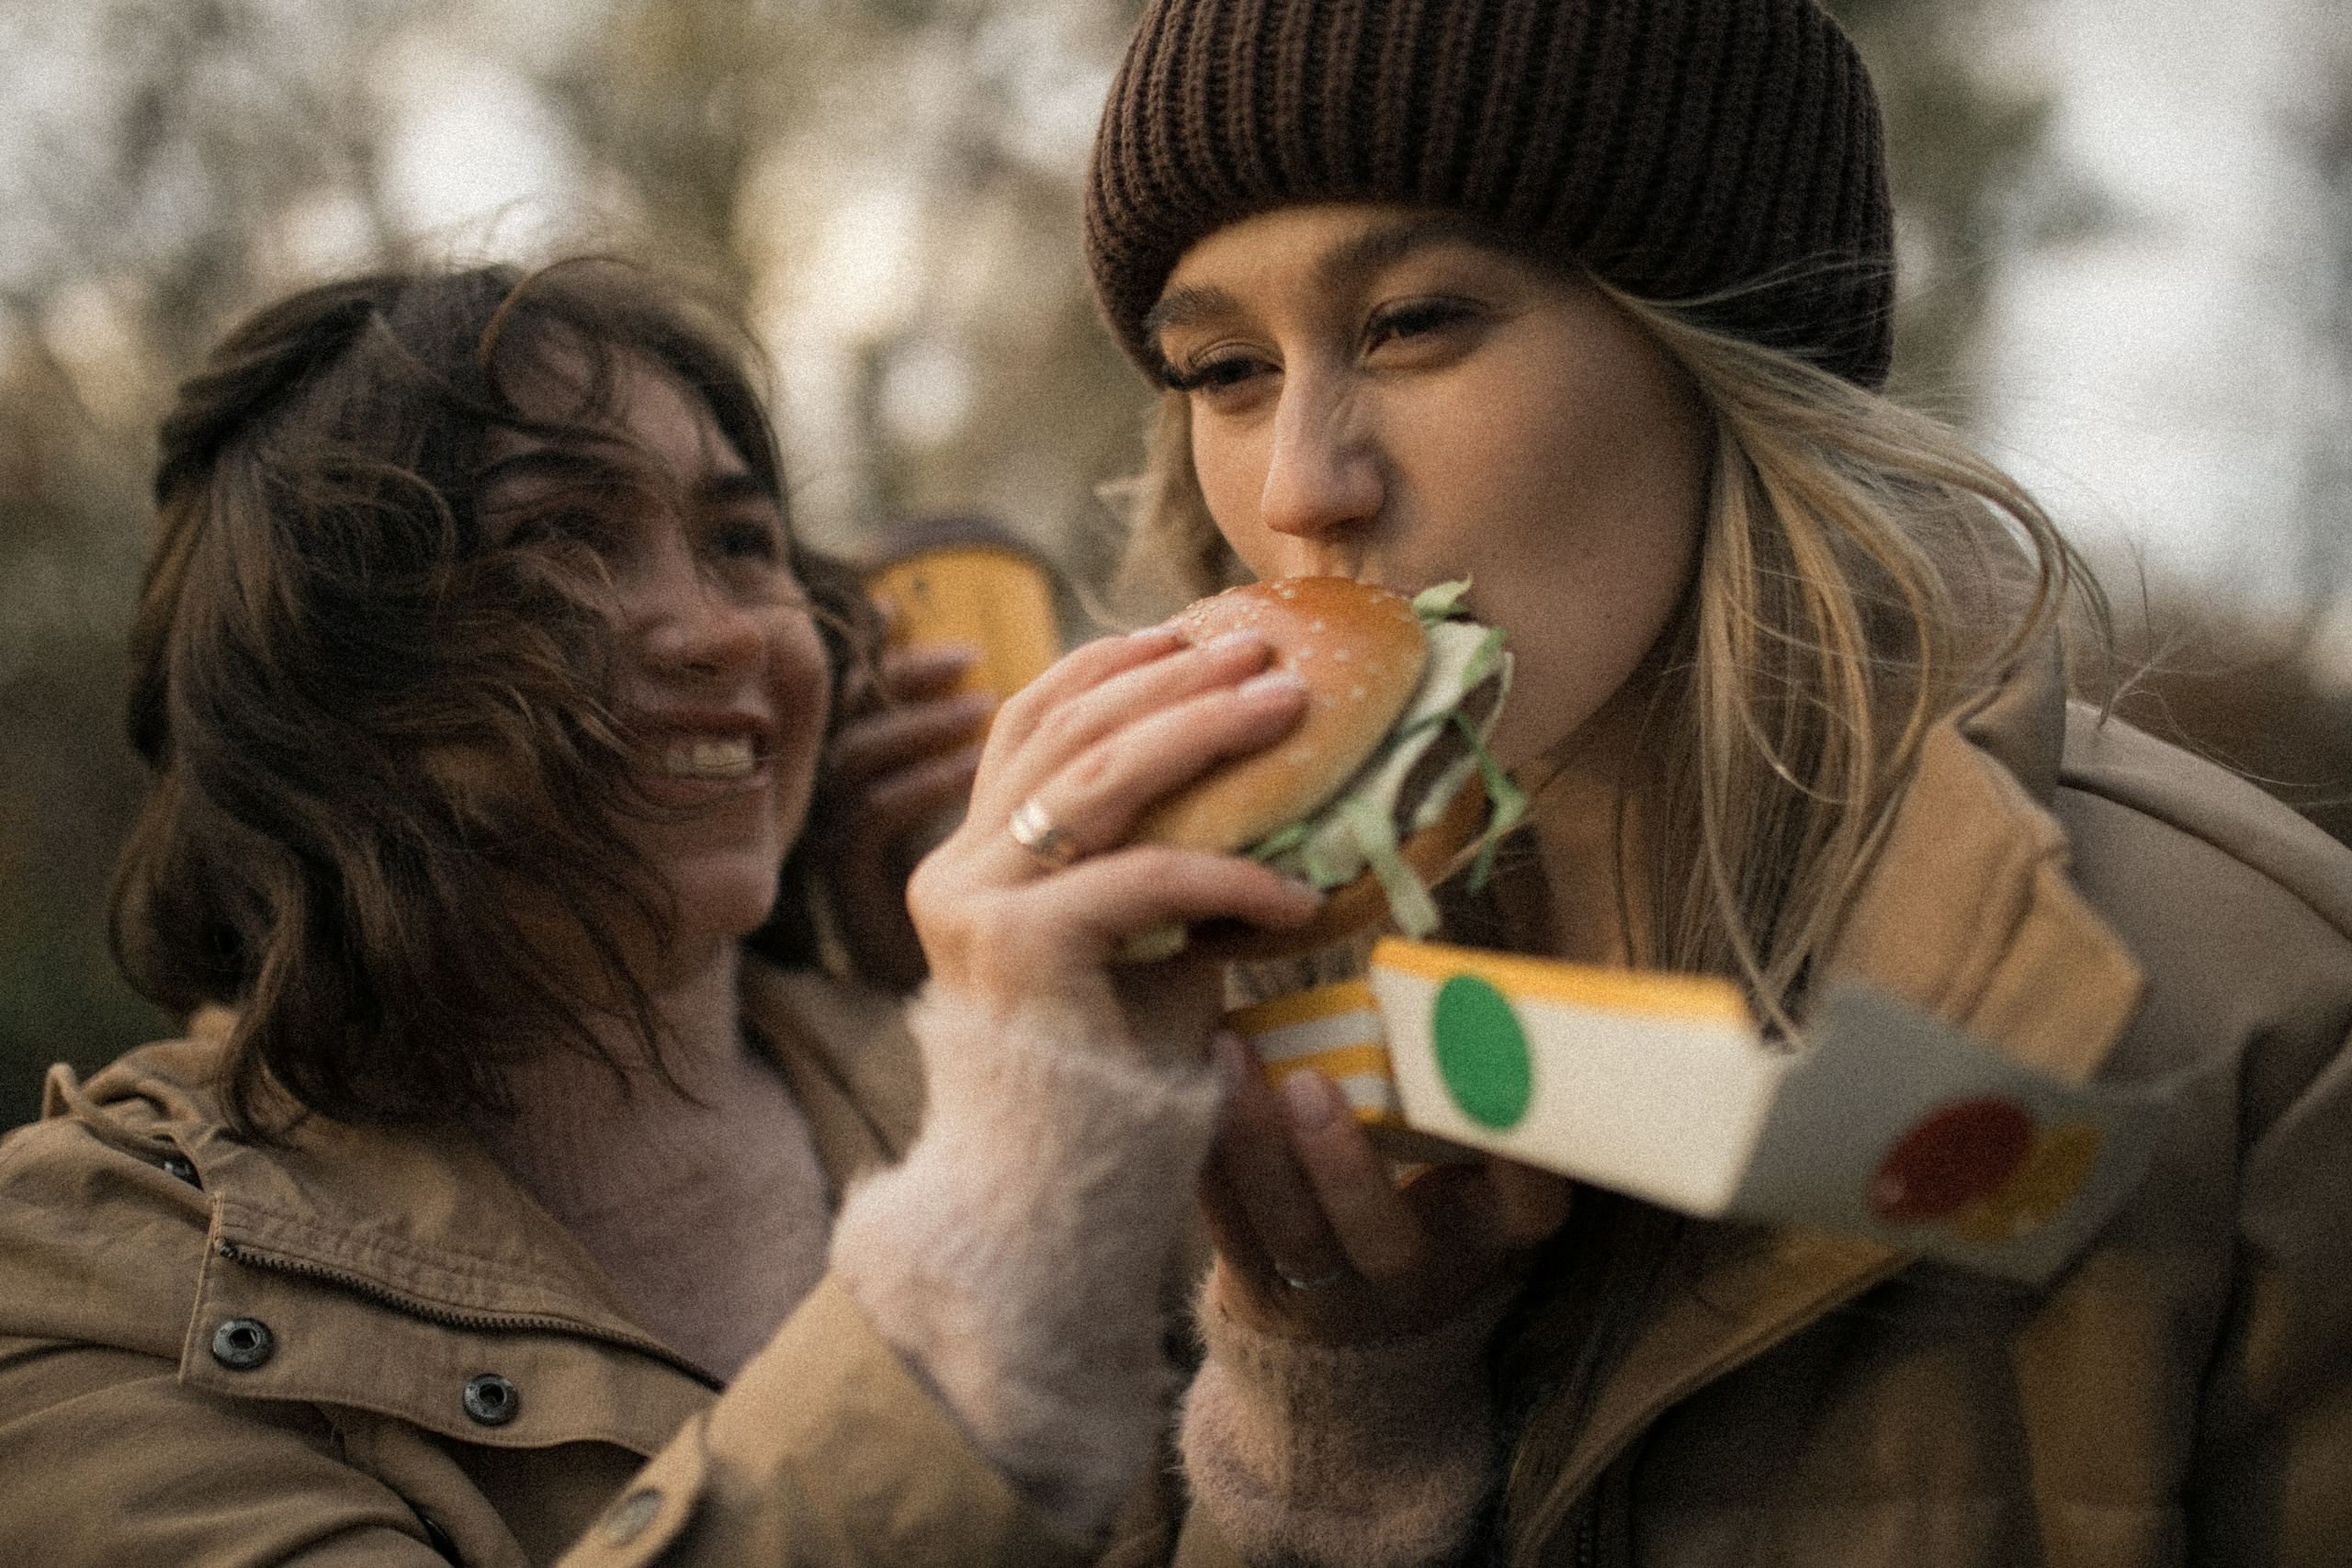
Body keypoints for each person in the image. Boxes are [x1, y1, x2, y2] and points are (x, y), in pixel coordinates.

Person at [910, 0, 2352, 1563]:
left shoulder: (2251, 1017)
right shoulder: (1169, 1006)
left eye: (1411, 323)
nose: (1299, 486)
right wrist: (1323, 1415)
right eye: (1225, 367)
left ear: (1728, 350)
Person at [0, 258, 1305, 1566]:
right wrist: (1000, 1235)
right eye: (564, 538)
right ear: (314, 675)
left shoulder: (1024, 1074)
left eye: (741, 543)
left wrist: (1351, 1403)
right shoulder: (82, 1269)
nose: (722, 632)